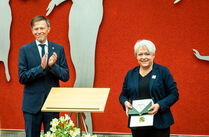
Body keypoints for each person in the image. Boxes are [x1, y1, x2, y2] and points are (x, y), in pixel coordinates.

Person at [18, 16, 69, 137]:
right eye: (36, 29)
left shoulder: (58, 48)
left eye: (42, 28)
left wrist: (52, 66)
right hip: (31, 106)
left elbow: (66, 76)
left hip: (52, 104)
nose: (39, 31)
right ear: (32, 30)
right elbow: (22, 77)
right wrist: (40, 68)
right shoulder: (24, 50)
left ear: (48, 29)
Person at [119, 40, 179, 137]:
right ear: (136, 56)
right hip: (137, 124)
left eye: (147, 54)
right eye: (140, 54)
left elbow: (174, 94)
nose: (143, 57)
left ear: (153, 55)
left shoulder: (163, 71)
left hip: (160, 124)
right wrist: (125, 102)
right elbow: (123, 95)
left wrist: (159, 105)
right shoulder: (130, 74)